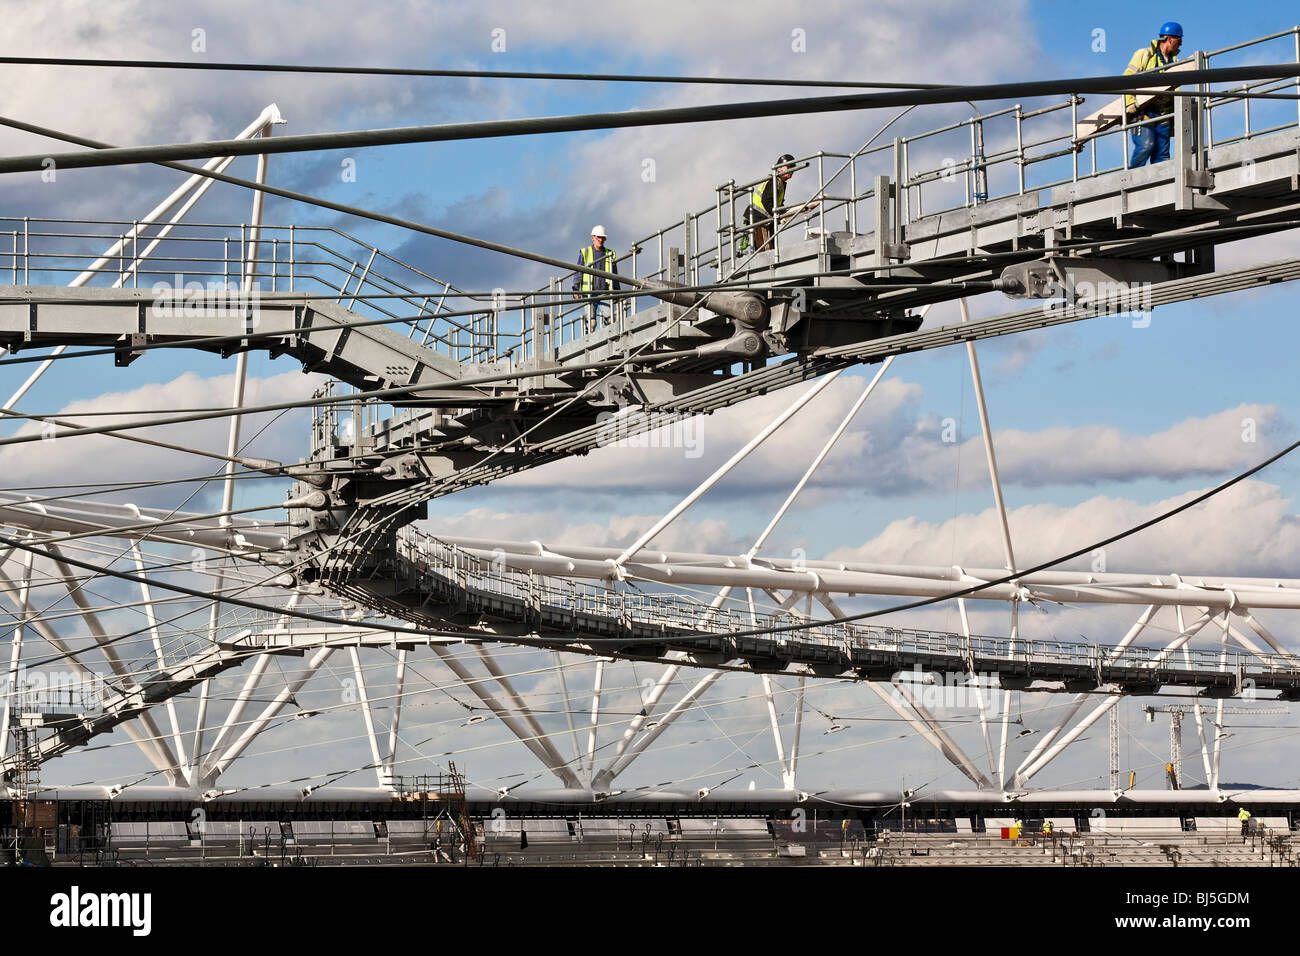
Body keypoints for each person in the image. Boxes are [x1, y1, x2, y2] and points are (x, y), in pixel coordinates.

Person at [1123, 22, 1184, 167]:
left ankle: (1162, 185)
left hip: (1163, 114)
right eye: (1179, 41)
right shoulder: (1144, 55)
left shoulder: (1175, 63)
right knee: (1146, 146)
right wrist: (1130, 102)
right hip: (1143, 111)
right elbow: (1127, 78)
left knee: (1162, 156)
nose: (1180, 45)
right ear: (1170, 39)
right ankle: (1133, 180)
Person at [742, 154, 820, 253]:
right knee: (767, 251)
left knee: (769, 249)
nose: (791, 171)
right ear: (780, 168)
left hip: (765, 219)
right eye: (789, 167)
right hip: (759, 219)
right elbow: (766, 201)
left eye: (793, 168)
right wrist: (777, 215)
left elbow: (776, 204)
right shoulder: (774, 181)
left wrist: (783, 213)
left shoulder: (780, 183)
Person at [572, 224, 620, 332]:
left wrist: (617, 291)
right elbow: (578, 271)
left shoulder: (610, 253)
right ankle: (588, 335)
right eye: (598, 237)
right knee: (592, 323)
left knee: (611, 319)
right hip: (588, 292)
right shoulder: (585, 252)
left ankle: (608, 336)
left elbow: (615, 274)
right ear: (592, 237)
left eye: (602, 237)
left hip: (604, 292)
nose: (600, 240)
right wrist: (575, 289)